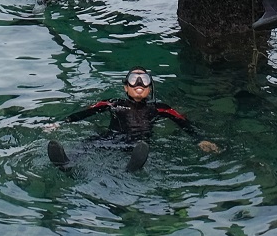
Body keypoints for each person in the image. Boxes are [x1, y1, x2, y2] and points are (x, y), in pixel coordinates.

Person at [47, 67, 219, 171]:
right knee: (88, 144)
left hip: (138, 145)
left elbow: (182, 122)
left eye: (144, 80)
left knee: (142, 148)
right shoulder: (112, 103)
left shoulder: (160, 108)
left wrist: (200, 139)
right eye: (133, 80)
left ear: (150, 88)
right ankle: (66, 163)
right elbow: (85, 112)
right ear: (125, 87)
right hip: (111, 139)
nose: (138, 84)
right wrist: (60, 123)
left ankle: (132, 167)